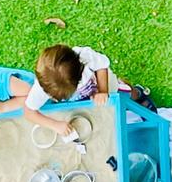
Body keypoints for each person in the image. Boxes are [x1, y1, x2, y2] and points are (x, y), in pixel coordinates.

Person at [22, 44, 153, 137]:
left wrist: (103, 91)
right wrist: (55, 125)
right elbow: (29, 112)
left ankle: (138, 93)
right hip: (88, 106)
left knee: (126, 93)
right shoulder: (43, 86)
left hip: (110, 88)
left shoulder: (84, 56)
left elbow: (102, 66)